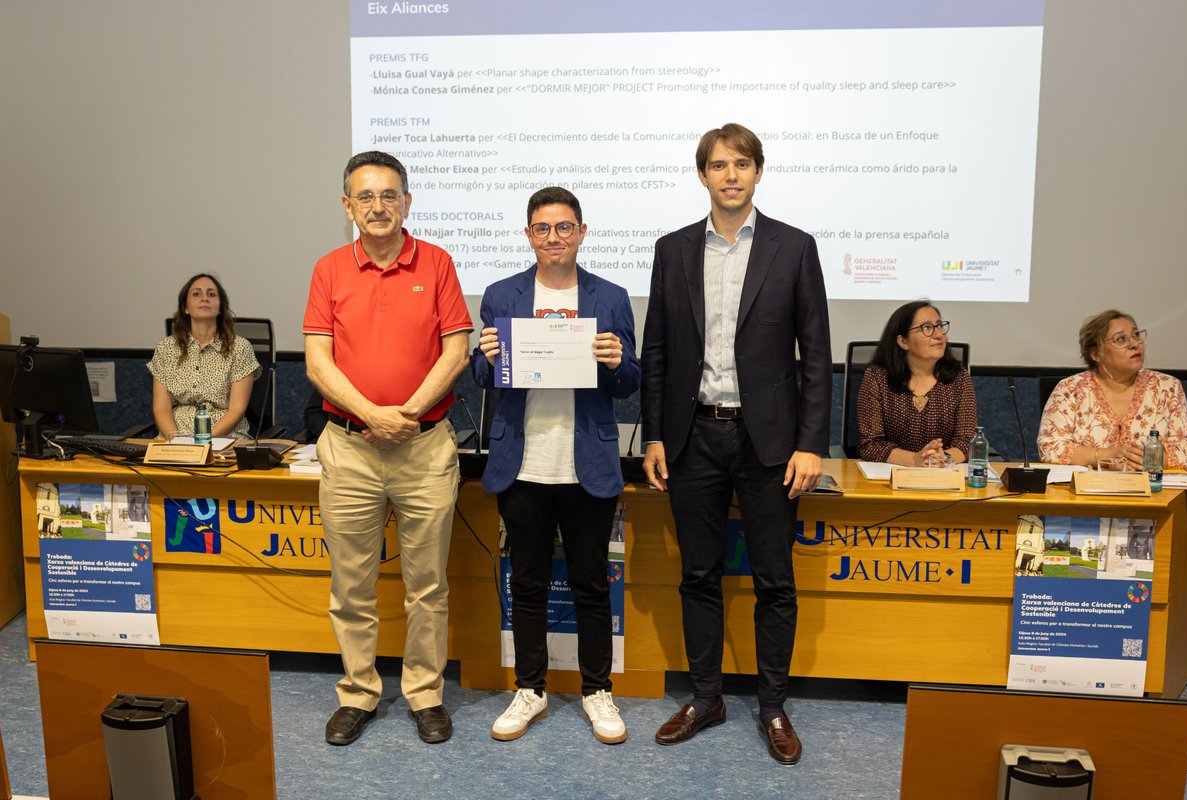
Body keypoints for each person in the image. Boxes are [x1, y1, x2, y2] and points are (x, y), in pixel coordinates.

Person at [641, 123, 832, 766]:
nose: (730, 175)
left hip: (770, 442)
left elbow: (816, 357)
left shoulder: (795, 247)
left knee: (775, 580)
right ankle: (706, 697)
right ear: (702, 175)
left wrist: (811, 443)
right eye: (718, 165)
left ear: (757, 172)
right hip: (694, 436)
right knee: (698, 576)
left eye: (742, 164)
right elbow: (658, 351)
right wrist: (657, 435)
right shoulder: (671, 250)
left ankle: (772, 706)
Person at [303, 151, 472, 746]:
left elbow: (456, 351)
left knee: (428, 586)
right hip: (349, 448)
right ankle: (359, 692)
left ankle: (425, 695)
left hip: (424, 448)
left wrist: (406, 415)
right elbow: (318, 360)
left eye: (389, 195)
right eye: (365, 197)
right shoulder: (329, 269)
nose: (378, 207)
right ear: (347, 206)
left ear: (407, 201)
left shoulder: (438, 263)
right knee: (351, 585)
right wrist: (371, 413)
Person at [471, 186, 640, 744]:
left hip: (585, 460)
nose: (553, 238)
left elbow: (629, 382)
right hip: (523, 461)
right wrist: (486, 357)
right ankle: (530, 689)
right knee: (528, 582)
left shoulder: (610, 297)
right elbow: (481, 375)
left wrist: (617, 363)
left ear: (582, 233)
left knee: (592, 583)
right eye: (542, 228)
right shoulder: (502, 294)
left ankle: (597, 691)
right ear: (528, 235)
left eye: (564, 227)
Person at [1038, 309, 1187, 469]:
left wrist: (1144, 460)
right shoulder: (1070, 389)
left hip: (1153, 488)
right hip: (1088, 490)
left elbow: (1185, 449)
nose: (1135, 344)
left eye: (1136, 335)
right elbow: (1050, 447)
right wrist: (1108, 455)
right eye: (1121, 339)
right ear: (1096, 354)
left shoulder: (1167, 387)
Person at [856, 301, 977, 466]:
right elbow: (871, 444)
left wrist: (942, 459)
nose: (939, 334)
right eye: (927, 328)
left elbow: (966, 440)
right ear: (903, 342)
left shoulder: (959, 378)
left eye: (940, 325)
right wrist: (915, 460)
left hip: (944, 476)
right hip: (891, 477)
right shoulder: (878, 377)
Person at [148, 273, 260, 440]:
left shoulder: (240, 348)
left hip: (225, 437)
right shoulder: (166, 348)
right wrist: (177, 442)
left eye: (211, 294)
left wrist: (202, 442)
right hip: (174, 438)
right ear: (185, 307)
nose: (204, 298)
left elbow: (237, 409)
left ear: (221, 307)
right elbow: (161, 408)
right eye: (196, 294)